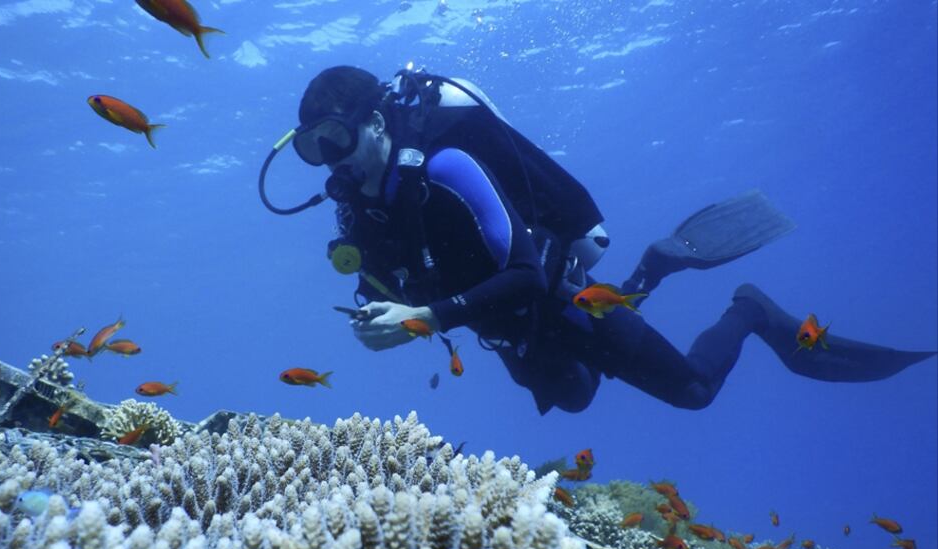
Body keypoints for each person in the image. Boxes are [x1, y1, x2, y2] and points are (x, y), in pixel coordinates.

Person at [258, 65, 935, 414]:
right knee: (574, 398)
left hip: (557, 297)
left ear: (376, 122)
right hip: (509, 328)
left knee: (695, 392)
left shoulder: (445, 167)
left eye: (339, 140)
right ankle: (647, 276)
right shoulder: (360, 207)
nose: (334, 162)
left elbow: (524, 272)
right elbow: (393, 282)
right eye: (315, 153)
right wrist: (378, 311)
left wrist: (426, 317)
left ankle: (748, 309)